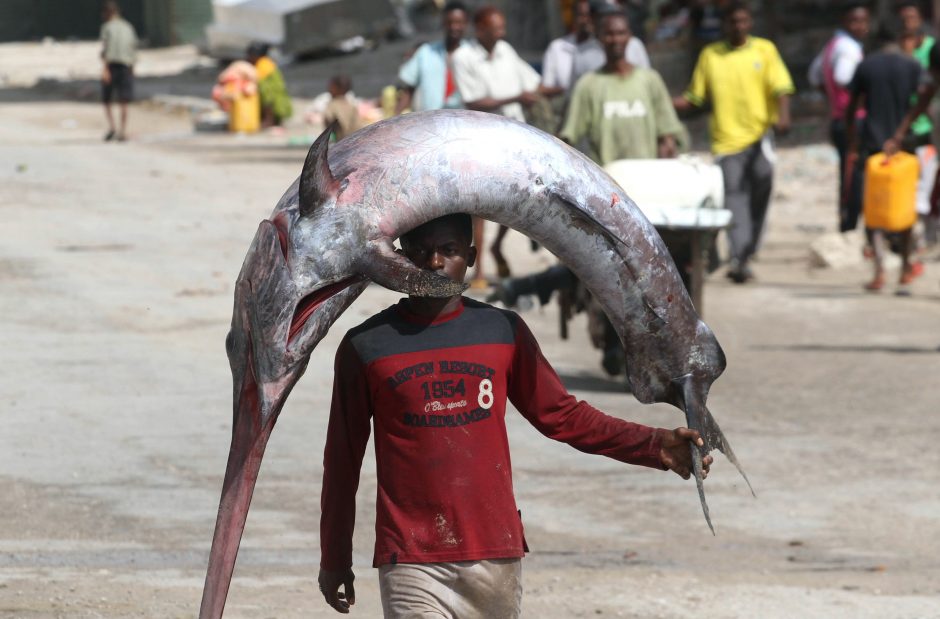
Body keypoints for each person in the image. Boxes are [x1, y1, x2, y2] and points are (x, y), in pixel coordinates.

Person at [317, 213, 713, 617]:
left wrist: (654, 445)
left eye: (449, 251)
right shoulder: (366, 346)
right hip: (411, 558)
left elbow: (563, 416)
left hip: (495, 553)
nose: (434, 263)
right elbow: (342, 463)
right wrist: (334, 558)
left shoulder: (502, 331)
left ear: (470, 256)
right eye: (419, 252)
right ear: (399, 258)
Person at [492, 9, 684, 377]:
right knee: (610, 272)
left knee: (667, 270)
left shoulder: (650, 82)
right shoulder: (590, 87)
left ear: (630, 37)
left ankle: (535, 285)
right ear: (599, 37)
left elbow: (668, 132)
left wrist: (668, 150)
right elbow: (567, 138)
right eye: (608, 35)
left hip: (652, 197)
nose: (614, 40)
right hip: (608, 198)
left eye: (621, 33)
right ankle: (616, 342)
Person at [673, 1, 794, 284]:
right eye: (733, 22)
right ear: (725, 25)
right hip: (727, 143)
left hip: (760, 138)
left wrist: (784, 116)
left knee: (761, 192)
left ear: (749, 22)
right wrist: (663, 104)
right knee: (735, 198)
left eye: (743, 21)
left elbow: (782, 88)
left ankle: (748, 249)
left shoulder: (765, 50)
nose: (738, 26)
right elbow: (695, 97)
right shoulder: (711, 55)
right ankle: (740, 258)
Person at [452, 5, 542, 283]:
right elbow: (473, 101)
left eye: (502, 27)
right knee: (479, 205)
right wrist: (515, 97)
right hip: (482, 136)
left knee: (518, 197)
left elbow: (532, 82)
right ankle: (478, 271)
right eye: (495, 28)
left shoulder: (505, 50)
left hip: (515, 137)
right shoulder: (463, 57)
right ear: (480, 29)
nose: (501, 32)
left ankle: (497, 245)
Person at [846, 30, 924, 292]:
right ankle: (904, 267)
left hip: (873, 146)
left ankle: (879, 270)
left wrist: (852, 143)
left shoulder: (865, 66)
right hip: (905, 146)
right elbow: (924, 98)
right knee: (904, 208)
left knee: (874, 209)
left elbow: (852, 107)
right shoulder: (912, 65)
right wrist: (903, 131)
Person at [808, 2, 870, 232]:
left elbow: (814, 76)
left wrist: (833, 100)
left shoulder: (832, 45)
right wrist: (856, 102)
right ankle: (850, 225)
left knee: (848, 172)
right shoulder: (848, 48)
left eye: (864, 21)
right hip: (852, 121)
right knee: (853, 175)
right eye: (855, 21)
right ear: (845, 21)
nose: (861, 26)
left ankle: (848, 221)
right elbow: (844, 78)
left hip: (839, 119)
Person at [395, 1, 470, 115]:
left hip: (463, 121)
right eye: (449, 22)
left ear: (466, 24)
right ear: (443, 23)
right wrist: (395, 117)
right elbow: (409, 90)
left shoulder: (473, 54)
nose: (454, 27)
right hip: (429, 122)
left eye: (459, 22)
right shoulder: (426, 52)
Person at [99, 1, 138, 142]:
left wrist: (105, 70)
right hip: (127, 66)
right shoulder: (128, 27)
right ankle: (122, 130)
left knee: (107, 99)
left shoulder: (107, 27)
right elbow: (133, 49)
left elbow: (105, 50)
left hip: (111, 66)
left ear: (108, 13)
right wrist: (133, 69)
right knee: (124, 100)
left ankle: (113, 128)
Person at [246, 42, 293, 128]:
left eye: (250, 56)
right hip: (280, 104)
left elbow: (262, 85)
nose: (248, 58)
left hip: (275, 103)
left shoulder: (263, 64)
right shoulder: (267, 62)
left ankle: (269, 120)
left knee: (264, 92)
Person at [324, 75, 362, 141]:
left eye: (331, 86)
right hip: (356, 140)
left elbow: (328, 118)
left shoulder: (333, 105)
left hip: (342, 141)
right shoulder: (351, 104)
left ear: (337, 88)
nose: (328, 88)